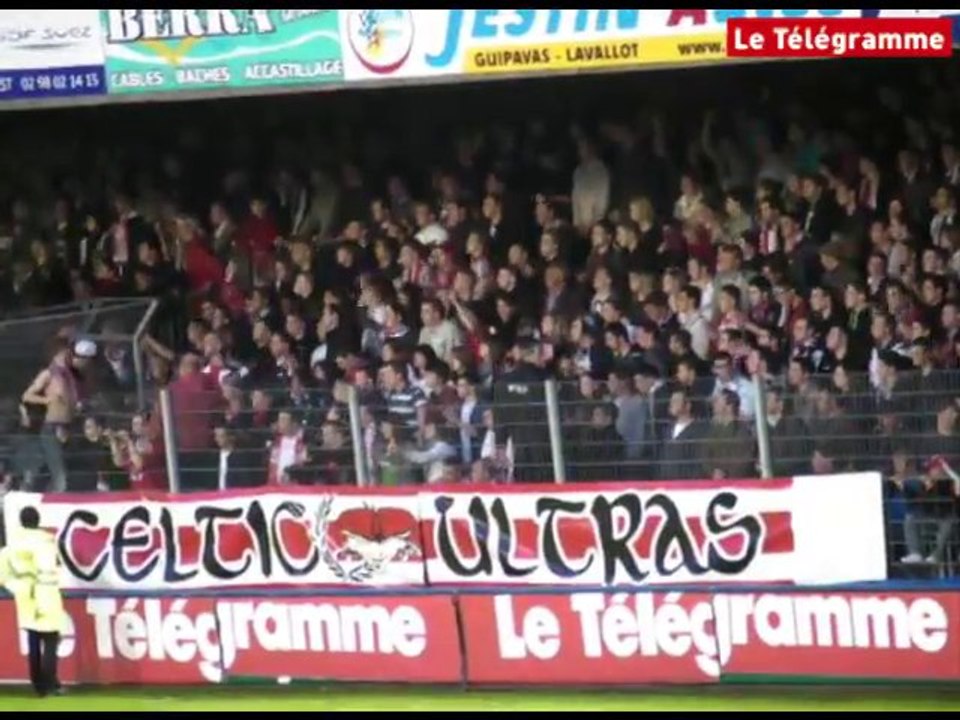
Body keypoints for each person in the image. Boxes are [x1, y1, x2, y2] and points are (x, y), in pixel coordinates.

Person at [0, 506, 65, 697]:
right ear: (38, 521)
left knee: (33, 639)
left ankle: (38, 685)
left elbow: (3, 572)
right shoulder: (46, 541)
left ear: (22, 522)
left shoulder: (13, 544)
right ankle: (51, 683)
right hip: (46, 591)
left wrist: (16, 586)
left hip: (25, 594)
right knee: (51, 639)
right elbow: (51, 567)